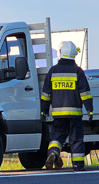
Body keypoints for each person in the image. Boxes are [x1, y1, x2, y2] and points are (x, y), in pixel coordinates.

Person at [40, 41, 94, 172]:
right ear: (74, 55)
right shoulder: (77, 71)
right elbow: (85, 93)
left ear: (61, 53)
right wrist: (90, 110)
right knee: (76, 139)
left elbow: (46, 94)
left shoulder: (53, 71)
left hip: (58, 114)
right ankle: (78, 166)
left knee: (57, 137)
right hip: (74, 114)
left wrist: (44, 111)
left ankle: (53, 153)